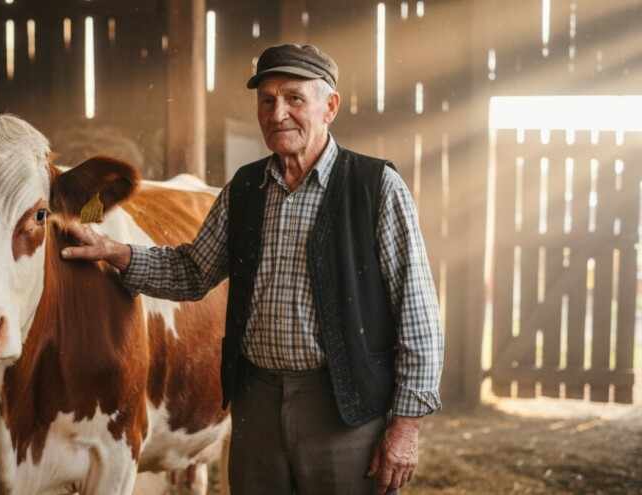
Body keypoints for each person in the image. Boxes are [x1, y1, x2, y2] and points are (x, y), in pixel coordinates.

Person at [61, 43, 443, 495]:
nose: (277, 112)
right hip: (256, 404)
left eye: (294, 98)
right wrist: (115, 251)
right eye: (267, 100)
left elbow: (418, 319)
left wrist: (405, 428)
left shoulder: (376, 188)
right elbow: (191, 271)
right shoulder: (244, 189)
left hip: (344, 408)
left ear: (330, 107)